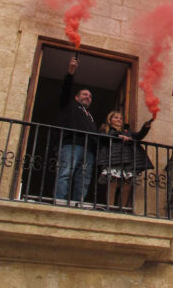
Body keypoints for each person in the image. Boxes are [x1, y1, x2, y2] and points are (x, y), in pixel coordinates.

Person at [55, 57, 98, 203]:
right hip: (71, 145)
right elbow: (65, 90)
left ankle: (77, 202)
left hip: (88, 150)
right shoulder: (70, 105)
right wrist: (71, 73)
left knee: (84, 178)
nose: (88, 97)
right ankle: (60, 200)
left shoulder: (90, 115)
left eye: (90, 96)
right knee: (66, 173)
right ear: (76, 97)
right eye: (85, 94)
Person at [96, 111, 154, 210]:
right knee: (113, 184)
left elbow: (139, 136)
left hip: (127, 161)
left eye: (121, 118)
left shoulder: (127, 131)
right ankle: (110, 207)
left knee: (127, 186)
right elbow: (103, 138)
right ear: (110, 120)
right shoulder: (105, 128)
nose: (119, 120)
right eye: (116, 118)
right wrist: (118, 136)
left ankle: (121, 209)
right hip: (113, 159)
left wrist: (146, 127)